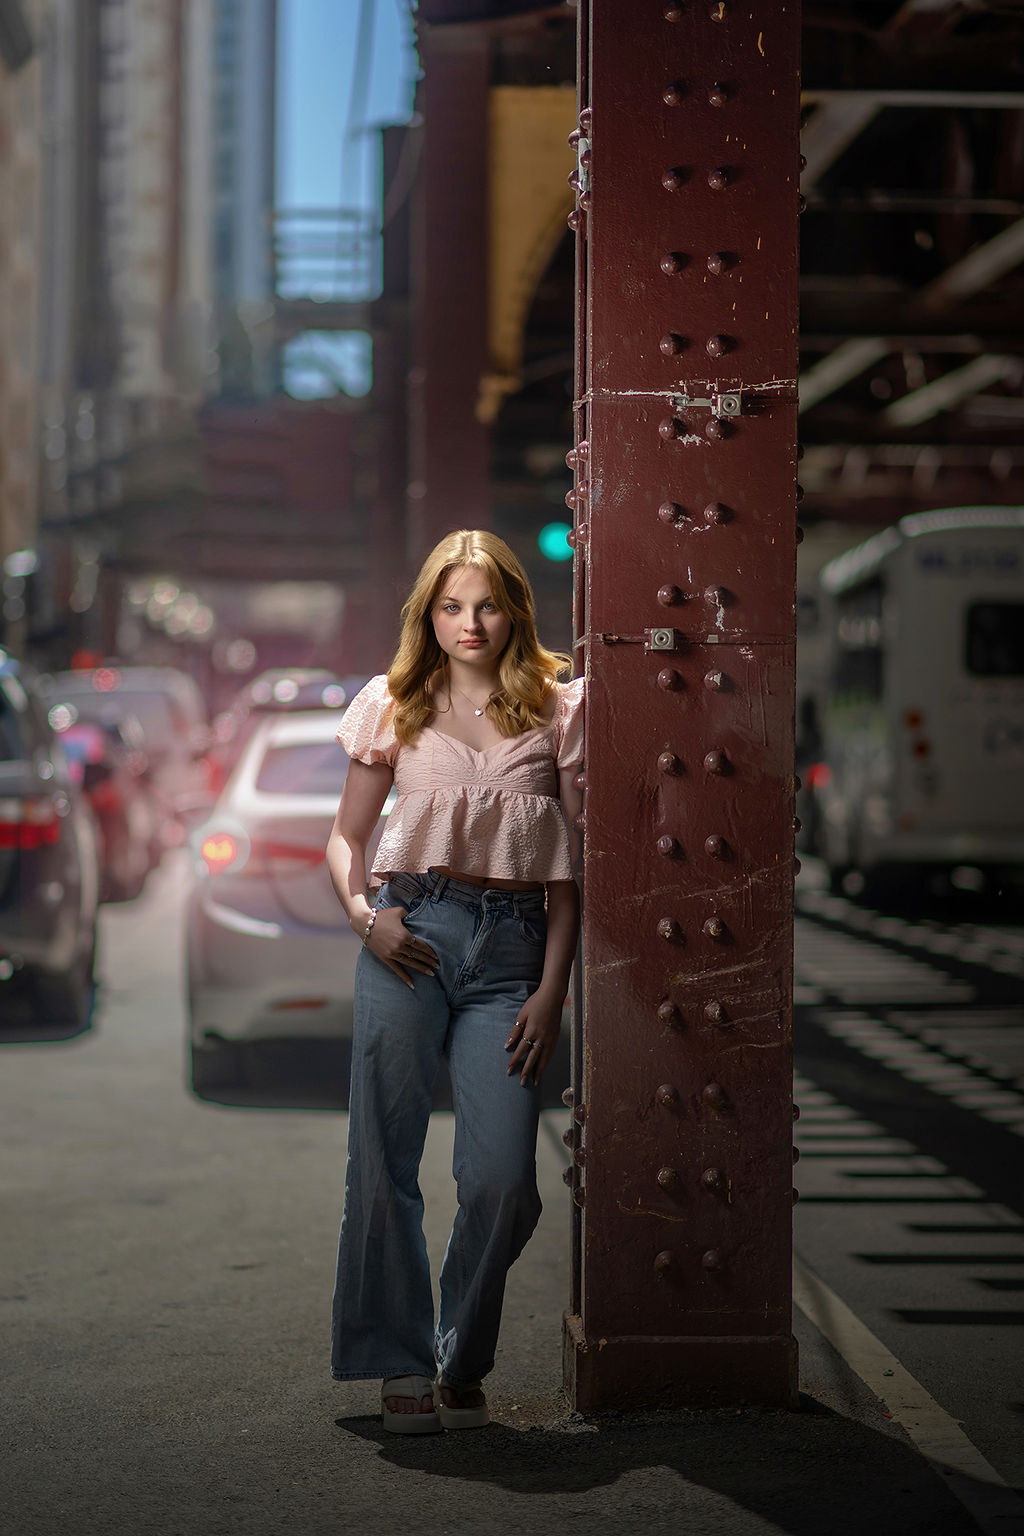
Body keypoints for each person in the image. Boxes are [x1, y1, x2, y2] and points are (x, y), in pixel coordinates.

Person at [325, 529, 584, 1435]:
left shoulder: (559, 710)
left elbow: (567, 876)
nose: (469, 623)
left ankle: (459, 1353)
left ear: (514, 607)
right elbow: (347, 842)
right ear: (427, 615)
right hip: (410, 936)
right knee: (384, 1158)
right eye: (450, 606)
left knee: (505, 1177)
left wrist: (553, 992)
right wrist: (368, 917)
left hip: (512, 958)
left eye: (486, 604)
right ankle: (400, 1365)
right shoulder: (394, 703)